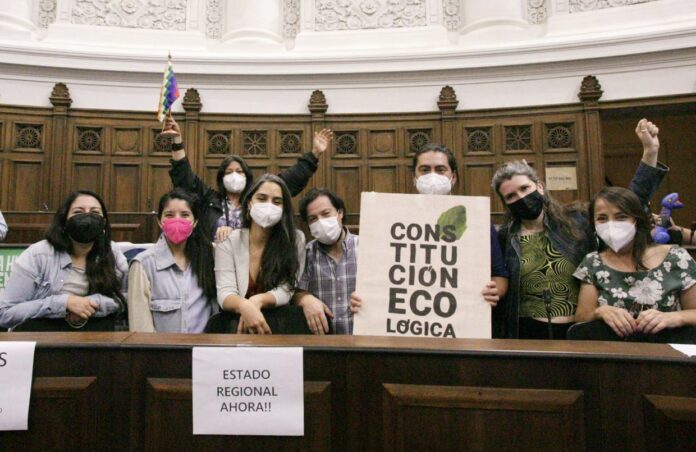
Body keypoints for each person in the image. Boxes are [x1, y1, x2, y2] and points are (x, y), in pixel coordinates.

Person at [492, 119, 668, 339]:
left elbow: (628, 204)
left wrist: (650, 152)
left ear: (540, 187)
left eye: (524, 188)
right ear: (505, 203)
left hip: (579, 328)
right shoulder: (504, 237)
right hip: (524, 333)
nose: (520, 197)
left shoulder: (577, 219)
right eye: (511, 196)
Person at [350, 143, 510, 314]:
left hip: (461, 317)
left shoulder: (476, 221)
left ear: (453, 177)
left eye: (440, 170)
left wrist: (495, 292)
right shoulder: (393, 221)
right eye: (425, 170)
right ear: (415, 178)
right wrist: (365, 299)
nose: (432, 175)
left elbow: (499, 275)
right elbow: (377, 273)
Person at [161, 115, 333, 241]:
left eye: (239, 171)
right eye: (229, 172)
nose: (234, 175)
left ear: (247, 176)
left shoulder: (258, 199)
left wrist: (314, 153)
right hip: (213, 264)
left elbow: (290, 180)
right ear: (221, 178)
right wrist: (177, 140)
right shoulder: (209, 200)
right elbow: (184, 177)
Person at [573, 187, 696, 338]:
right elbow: (581, 318)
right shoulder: (592, 262)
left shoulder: (677, 257)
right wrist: (600, 312)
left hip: (668, 348)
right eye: (602, 218)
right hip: (612, 349)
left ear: (637, 220)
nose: (611, 225)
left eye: (621, 217)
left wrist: (674, 317)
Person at [0, 190, 127, 330]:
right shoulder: (38, 255)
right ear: (64, 220)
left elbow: (128, 299)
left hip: (98, 335)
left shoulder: (113, 252)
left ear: (104, 222)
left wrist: (92, 304)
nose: (87, 217)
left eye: (95, 212)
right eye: (78, 212)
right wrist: (63, 304)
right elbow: (5, 313)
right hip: (41, 334)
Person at [214, 174, 305, 334]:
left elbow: (287, 288)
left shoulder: (295, 240)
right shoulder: (228, 241)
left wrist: (259, 300)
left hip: (280, 327)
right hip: (236, 327)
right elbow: (224, 292)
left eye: (277, 201)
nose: (269, 205)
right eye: (262, 198)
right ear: (249, 202)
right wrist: (244, 306)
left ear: (284, 208)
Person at [128, 189, 217, 333]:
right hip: (162, 347)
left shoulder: (209, 256)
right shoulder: (143, 264)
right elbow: (140, 327)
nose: (177, 220)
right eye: (169, 215)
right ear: (159, 222)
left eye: (185, 215)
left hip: (204, 346)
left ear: (195, 222)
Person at [295, 188, 357, 335]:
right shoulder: (306, 254)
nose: (321, 222)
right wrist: (305, 299)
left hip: (364, 340)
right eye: (313, 219)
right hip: (323, 341)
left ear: (340, 213)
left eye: (326, 214)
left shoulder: (367, 247)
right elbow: (294, 292)